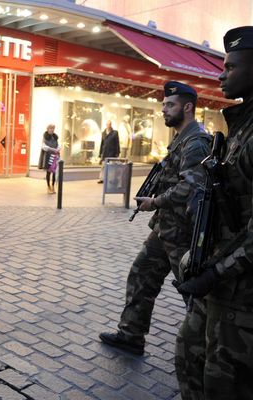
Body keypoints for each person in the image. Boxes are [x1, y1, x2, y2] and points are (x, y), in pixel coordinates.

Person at [99, 81, 210, 356]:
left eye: (170, 105)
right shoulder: (182, 139)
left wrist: (156, 201)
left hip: (182, 232)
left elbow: (193, 186)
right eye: (163, 105)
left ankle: (212, 349)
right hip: (165, 230)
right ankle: (130, 335)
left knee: (193, 293)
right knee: (142, 274)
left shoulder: (195, 142)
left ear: (188, 107)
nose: (164, 110)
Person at [174, 27, 253, 399]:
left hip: (241, 291)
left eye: (231, 66)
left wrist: (214, 272)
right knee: (189, 358)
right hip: (218, 277)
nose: (221, 74)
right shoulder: (239, 127)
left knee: (223, 383)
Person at [38, 124, 60, 194]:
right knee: (48, 172)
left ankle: (53, 186)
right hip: (48, 156)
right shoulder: (45, 137)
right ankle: (48, 186)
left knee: (54, 172)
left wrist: (58, 149)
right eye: (51, 128)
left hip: (55, 155)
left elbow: (58, 145)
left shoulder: (55, 137)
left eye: (53, 128)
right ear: (47, 129)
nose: (52, 129)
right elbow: (43, 146)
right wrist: (51, 149)